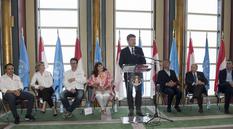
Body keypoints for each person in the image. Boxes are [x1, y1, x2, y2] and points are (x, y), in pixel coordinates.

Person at [119, 34, 146, 116]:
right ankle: (131, 109)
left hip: (138, 74)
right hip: (128, 75)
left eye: (135, 39)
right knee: (129, 92)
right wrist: (128, 67)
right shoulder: (124, 51)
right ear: (128, 41)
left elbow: (143, 61)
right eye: (132, 40)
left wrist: (139, 65)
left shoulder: (139, 49)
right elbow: (121, 63)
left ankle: (138, 109)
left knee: (138, 92)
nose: (134, 41)